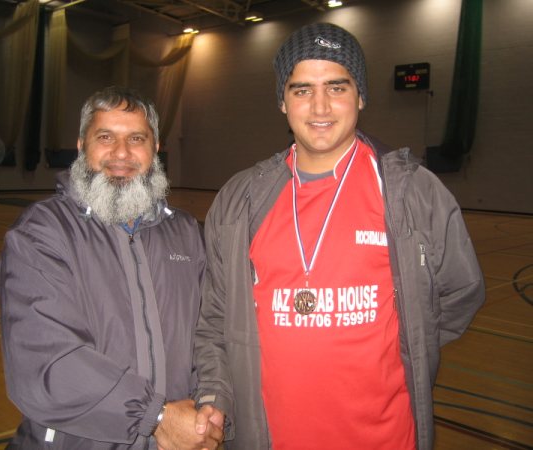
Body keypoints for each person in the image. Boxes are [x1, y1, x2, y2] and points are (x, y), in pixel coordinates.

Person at [193, 22, 485, 450]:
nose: (320, 107)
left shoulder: (413, 193)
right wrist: (214, 395)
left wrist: (405, 343)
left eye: (337, 86)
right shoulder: (240, 200)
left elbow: (461, 292)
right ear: (282, 101)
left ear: (361, 95)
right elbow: (214, 322)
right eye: (302, 90)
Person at [0, 86, 224, 449]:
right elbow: (48, 363)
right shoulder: (41, 233)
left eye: (137, 138)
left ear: (156, 148)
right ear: (81, 145)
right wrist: (156, 416)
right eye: (105, 137)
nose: (122, 153)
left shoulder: (185, 232)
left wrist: (210, 404)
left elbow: (208, 332)